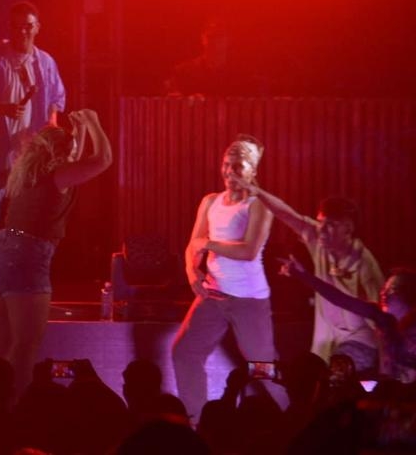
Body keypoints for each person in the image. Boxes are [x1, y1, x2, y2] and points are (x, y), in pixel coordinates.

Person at [0, 110, 111, 393]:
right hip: (25, 258)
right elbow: (102, 160)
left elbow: (74, 161)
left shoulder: (31, 173)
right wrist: (93, 121)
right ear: (59, 153)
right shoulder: (58, 176)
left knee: (0, 341)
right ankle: (16, 406)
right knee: (24, 346)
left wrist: (79, 131)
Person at [171, 135, 283, 422]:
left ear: (253, 170)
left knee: (263, 369)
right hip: (213, 295)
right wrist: (191, 272)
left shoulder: (259, 205)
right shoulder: (210, 201)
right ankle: (196, 423)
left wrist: (208, 244)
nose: (229, 171)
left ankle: (293, 418)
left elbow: (248, 251)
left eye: (237, 166)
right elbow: (193, 244)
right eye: (225, 164)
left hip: (249, 300)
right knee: (184, 353)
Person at [0, 2, 66, 297]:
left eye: (28, 26)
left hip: (26, 157)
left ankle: (14, 276)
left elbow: (55, 101)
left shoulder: (45, 63)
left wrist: (51, 126)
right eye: (17, 26)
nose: (23, 32)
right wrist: (1, 108)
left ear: (37, 27)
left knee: (23, 219)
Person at [240, 184, 384, 373]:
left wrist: (387, 368)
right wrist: (258, 192)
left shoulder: (365, 265)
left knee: (336, 370)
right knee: (289, 363)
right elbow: (287, 215)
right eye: (320, 222)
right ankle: (255, 377)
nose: (321, 229)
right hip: (328, 338)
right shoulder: (319, 241)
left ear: (348, 229)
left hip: (360, 340)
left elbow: (383, 320)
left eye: (331, 225)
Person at [281, 256, 416, 383]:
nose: (384, 294)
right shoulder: (381, 317)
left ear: (407, 293)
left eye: (391, 289)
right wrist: (302, 274)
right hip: (388, 390)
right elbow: (339, 298)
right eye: (384, 289)